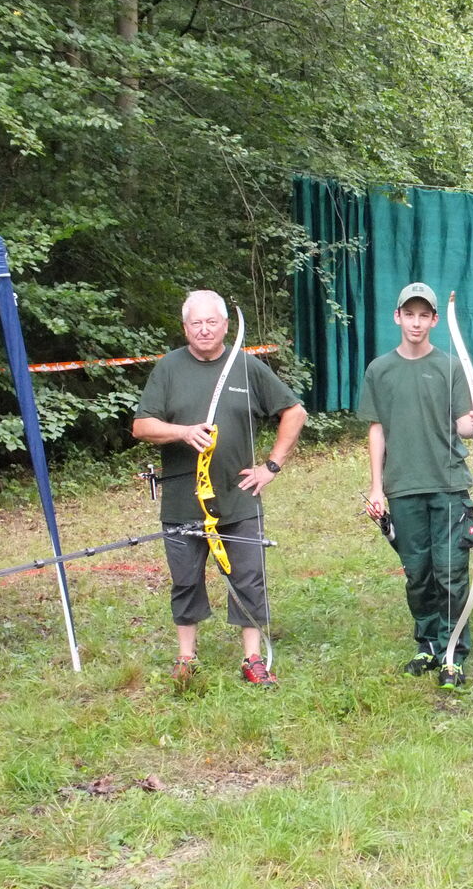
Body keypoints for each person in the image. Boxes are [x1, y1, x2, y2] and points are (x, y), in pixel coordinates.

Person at [133, 290, 306, 687]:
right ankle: (185, 656)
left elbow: (294, 412)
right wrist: (183, 431)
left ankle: (252, 658)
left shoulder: (246, 367)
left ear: (226, 326)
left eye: (213, 322)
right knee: (185, 578)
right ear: (185, 328)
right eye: (197, 323)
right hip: (183, 498)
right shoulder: (169, 368)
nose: (205, 329)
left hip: (238, 495)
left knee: (248, 576)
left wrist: (271, 466)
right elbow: (142, 426)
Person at [358, 282, 473, 691]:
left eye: (424, 315)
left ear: (435, 320)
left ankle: (453, 651)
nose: (416, 322)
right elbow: (377, 430)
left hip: (448, 483)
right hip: (402, 486)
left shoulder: (450, 366)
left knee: (450, 570)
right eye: (409, 314)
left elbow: (459, 424)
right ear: (397, 317)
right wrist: (376, 487)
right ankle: (427, 644)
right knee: (417, 572)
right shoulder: (379, 370)